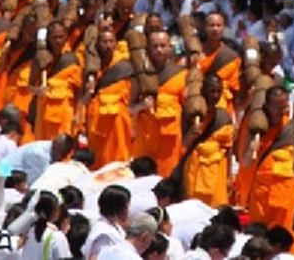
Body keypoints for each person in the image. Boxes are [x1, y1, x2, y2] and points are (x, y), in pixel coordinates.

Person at [239, 87, 294, 231]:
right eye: (275, 108)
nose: (279, 112)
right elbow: (245, 163)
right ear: (266, 106)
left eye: (283, 107)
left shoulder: (292, 129)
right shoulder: (256, 128)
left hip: (284, 197)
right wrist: (251, 150)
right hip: (259, 196)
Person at [134, 29, 186, 177]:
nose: (159, 50)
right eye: (155, 46)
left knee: (166, 180)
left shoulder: (180, 75)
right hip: (145, 138)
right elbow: (128, 108)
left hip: (169, 141)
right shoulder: (140, 75)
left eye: (163, 46)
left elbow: (187, 109)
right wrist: (141, 106)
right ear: (148, 48)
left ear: (170, 48)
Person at [179, 74, 234, 208]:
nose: (215, 95)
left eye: (218, 91)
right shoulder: (190, 114)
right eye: (212, 91)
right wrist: (191, 134)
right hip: (195, 168)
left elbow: (228, 148)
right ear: (203, 91)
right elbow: (183, 144)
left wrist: (229, 176)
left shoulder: (223, 116)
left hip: (217, 171)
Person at [84, 28, 135, 167]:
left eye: (111, 41)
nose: (108, 45)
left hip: (119, 120)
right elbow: (83, 99)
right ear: (98, 44)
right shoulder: (93, 68)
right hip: (97, 120)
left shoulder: (124, 66)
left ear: (116, 43)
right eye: (104, 42)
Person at [31, 21, 82, 141]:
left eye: (61, 37)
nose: (58, 41)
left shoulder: (71, 59)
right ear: (48, 38)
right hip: (44, 111)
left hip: (65, 112)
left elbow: (79, 90)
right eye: (54, 38)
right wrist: (38, 91)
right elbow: (30, 86)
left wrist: (78, 113)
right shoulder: (41, 58)